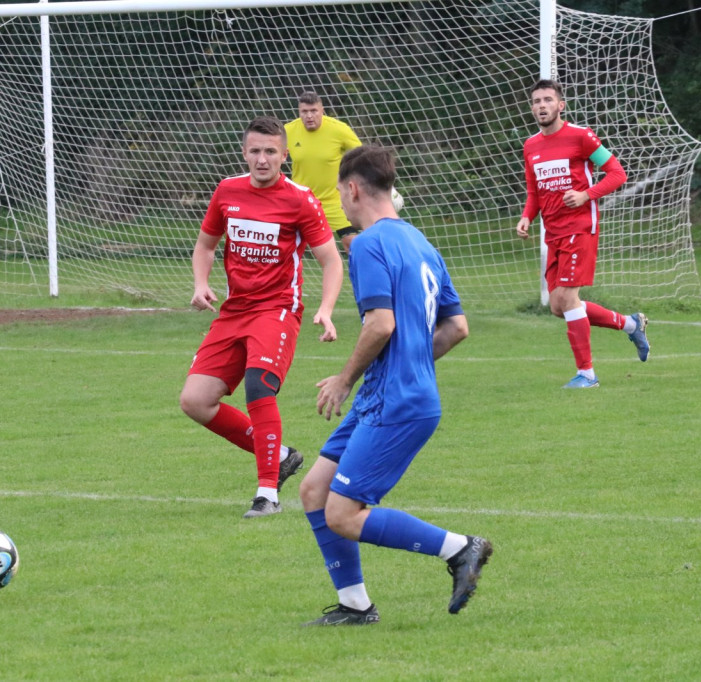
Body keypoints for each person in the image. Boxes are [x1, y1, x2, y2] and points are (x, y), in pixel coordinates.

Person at [299, 145, 491, 626]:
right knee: (314, 491)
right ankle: (355, 606)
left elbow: (380, 324)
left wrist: (344, 379)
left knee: (343, 514)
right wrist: (412, 364)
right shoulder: (421, 243)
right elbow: (457, 328)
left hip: (393, 402)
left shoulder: (366, 244)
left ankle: (460, 548)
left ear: (353, 189)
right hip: (393, 395)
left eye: (340, 194)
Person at [180, 115, 344, 519]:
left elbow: (331, 261)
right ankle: (282, 455)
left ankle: (267, 494)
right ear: (244, 153)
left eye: (271, 151)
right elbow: (205, 246)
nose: (262, 159)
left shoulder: (301, 200)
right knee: (195, 402)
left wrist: (324, 309)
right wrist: (200, 284)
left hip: (277, 311)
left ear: (284, 156)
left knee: (259, 387)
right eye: (255, 150)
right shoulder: (227, 191)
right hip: (235, 311)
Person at [515, 79, 650, 389]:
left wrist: (586, 195)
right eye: (536, 101)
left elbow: (618, 173)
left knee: (567, 298)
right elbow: (534, 190)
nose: (542, 106)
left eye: (548, 100)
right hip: (553, 233)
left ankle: (587, 375)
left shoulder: (581, 137)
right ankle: (631, 324)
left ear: (560, 105)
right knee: (557, 306)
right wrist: (526, 217)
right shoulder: (531, 145)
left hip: (580, 227)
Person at [285, 91, 364, 254]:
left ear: (322, 111)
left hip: (335, 202)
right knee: (287, 247)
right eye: (304, 112)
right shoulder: (287, 131)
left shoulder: (339, 130)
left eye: (313, 111)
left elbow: (362, 157)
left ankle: (361, 279)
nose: (309, 116)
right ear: (299, 112)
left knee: (353, 245)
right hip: (301, 202)